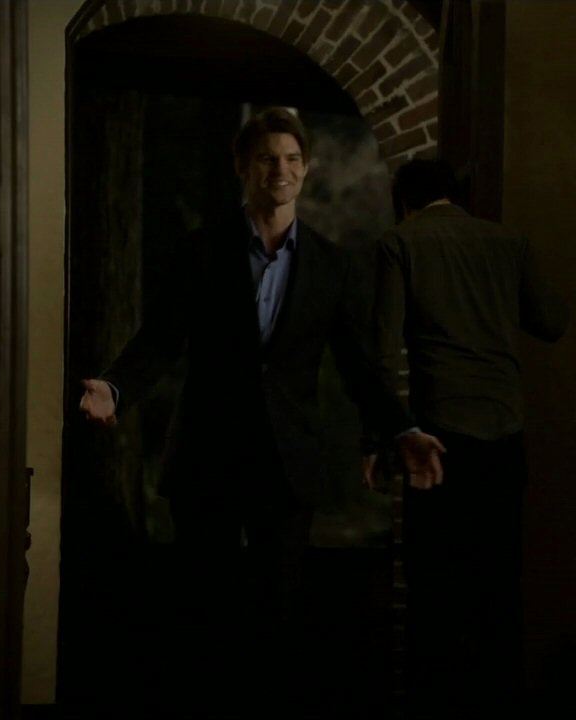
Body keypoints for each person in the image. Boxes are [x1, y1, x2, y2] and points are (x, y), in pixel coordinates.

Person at [77, 107, 445, 716]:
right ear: (243, 167)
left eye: (293, 159)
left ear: (306, 169)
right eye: (268, 158)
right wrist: (114, 390)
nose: (282, 169)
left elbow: (359, 367)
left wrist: (401, 428)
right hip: (208, 456)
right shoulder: (202, 250)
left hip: (287, 461)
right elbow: (160, 340)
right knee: (205, 612)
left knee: (277, 616)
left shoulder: (330, 263)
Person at [367, 158, 568, 717]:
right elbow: (552, 321)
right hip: (505, 437)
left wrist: (381, 439)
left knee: (434, 600)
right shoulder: (509, 243)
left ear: (404, 202)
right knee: (499, 595)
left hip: (438, 443)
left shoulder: (399, 243)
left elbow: (380, 357)